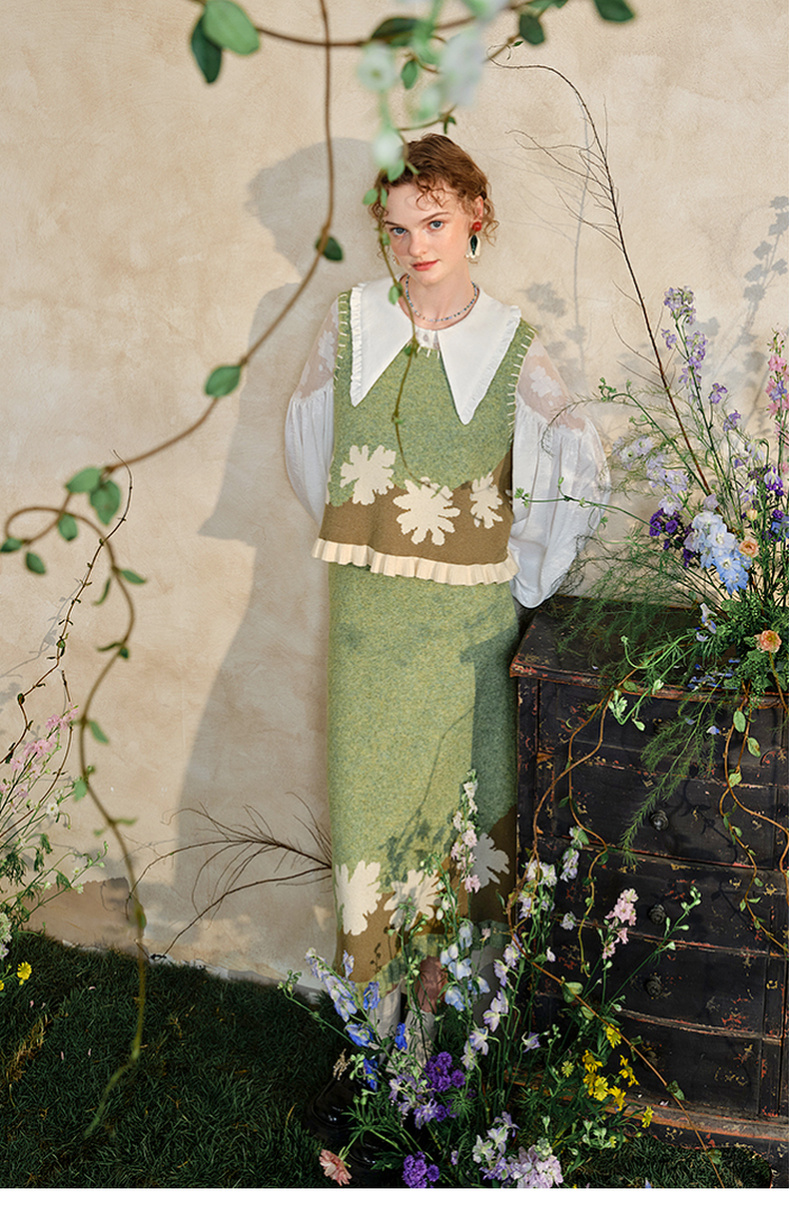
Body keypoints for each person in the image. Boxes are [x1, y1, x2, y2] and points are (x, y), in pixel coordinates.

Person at [285, 133, 608, 1044]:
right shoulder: (350, 323)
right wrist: (372, 529)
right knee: (372, 809)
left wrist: (523, 572)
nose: (415, 245)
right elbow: (311, 446)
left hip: (469, 630)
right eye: (397, 229)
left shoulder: (511, 344)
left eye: (432, 221)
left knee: (464, 811)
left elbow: (577, 462)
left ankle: (447, 1032)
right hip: (369, 620)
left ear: (476, 216)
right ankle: (380, 1040)